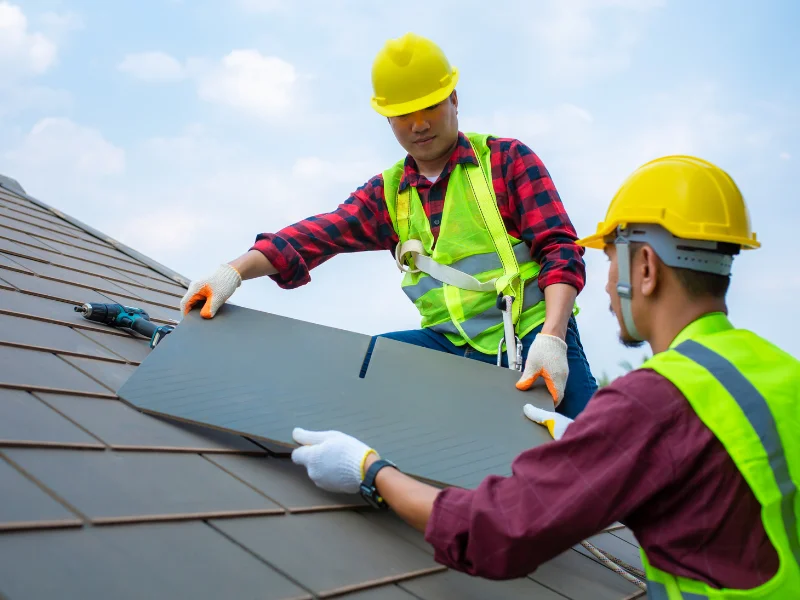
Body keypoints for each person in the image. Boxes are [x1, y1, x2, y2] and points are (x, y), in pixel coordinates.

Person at [289, 155, 800, 598]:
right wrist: (597, 443)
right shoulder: (780, 371)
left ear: (645, 268)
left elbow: (497, 531)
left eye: (608, 261)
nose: (604, 286)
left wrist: (371, 471)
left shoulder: (654, 401)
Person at [180, 33, 597, 419]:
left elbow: (560, 249)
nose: (419, 124)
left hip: (533, 336)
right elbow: (317, 235)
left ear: (454, 99)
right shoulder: (388, 193)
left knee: (600, 448)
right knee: (365, 370)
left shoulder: (506, 161)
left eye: (430, 105)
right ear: (388, 120)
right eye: (403, 113)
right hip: (448, 346)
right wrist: (233, 272)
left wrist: (553, 338)